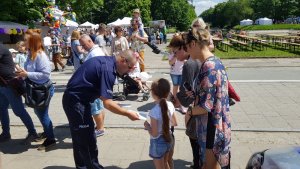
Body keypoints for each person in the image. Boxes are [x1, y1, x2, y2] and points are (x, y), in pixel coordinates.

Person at [62, 49, 140, 168]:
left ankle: (83, 167)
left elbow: (97, 86)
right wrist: (127, 113)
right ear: (122, 60)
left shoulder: (108, 62)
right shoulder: (108, 69)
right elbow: (107, 103)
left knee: (81, 139)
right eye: (130, 67)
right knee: (87, 140)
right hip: (76, 102)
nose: (129, 71)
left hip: (78, 100)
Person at [183, 28, 231, 169]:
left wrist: (190, 111)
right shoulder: (216, 61)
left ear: (193, 44)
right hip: (220, 122)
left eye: (186, 47)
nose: (186, 51)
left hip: (212, 126)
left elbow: (206, 106)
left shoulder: (208, 67)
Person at [16, 29, 56, 150]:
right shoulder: (30, 53)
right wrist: (22, 72)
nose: (24, 42)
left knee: (43, 115)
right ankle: (47, 132)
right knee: (40, 114)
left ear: (33, 41)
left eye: (26, 40)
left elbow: (45, 74)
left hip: (42, 90)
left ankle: (51, 139)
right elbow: (30, 71)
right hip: (36, 89)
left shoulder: (40, 55)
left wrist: (27, 74)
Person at [168, 33, 201, 169]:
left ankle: (197, 163)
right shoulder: (198, 59)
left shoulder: (188, 65)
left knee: (194, 136)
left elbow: (186, 95)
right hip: (202, 106)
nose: (175, 56)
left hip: (198, 108)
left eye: (175, 52)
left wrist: (174, 100)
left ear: (183, 48)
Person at [0, 44, 38, 143]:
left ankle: (33, 133)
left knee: (19, 111)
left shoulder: (0, 48)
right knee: (2, 109)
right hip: (2, 85)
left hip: (9, 85)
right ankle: (5, 133)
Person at [144, 78, 177, 169]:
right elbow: (174, 123)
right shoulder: (170, 105)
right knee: (166, 163)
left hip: (158, 142)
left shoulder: (154, 111)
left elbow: (154, 134)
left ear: (153, 94)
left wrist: (147, 126)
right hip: (169, 138)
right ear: (168, 93)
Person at [79, 34, 107, 137]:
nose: (83, 47)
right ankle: (100, 126)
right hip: (97, 85)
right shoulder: (95, 51)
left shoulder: (94, 53)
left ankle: (100, 129)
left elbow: (96, 71)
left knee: (95, 109)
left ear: (90, 41)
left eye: (84, 44)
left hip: (93, 85)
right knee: (99, 107)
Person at [167, 35, 185, 109]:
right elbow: (170, 63)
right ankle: (174, 99)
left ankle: (180, 102)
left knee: (181, 87)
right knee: (175, 86)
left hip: (181, 72)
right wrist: (175, 56)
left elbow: (184, 61)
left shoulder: (182, 53)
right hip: (174, 73)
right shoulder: (171, 54)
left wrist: (184, 60)